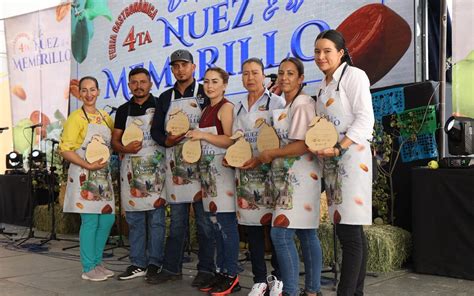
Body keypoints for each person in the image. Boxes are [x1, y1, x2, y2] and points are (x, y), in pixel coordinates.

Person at [312, 29, 374, 296]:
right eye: (317, 51)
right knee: (349, 230)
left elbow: (365, 119)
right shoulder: (321, 86)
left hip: (352, 160)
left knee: (349, 233)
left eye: (327, 51)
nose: (321, 56)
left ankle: (345, 293)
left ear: (340, 53)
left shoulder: (354, 76)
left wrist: (340, 147)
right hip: (332, 163)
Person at [150, 49, 215, 287]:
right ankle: (171, 268)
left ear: (193, 67)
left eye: (184, 65)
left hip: (202, 170)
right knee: (177, 224)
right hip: (176, 169)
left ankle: (207, 270)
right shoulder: (165, 97)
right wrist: (165, 141)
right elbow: (156, 130)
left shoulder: (204, 93)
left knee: (205, 224)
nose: (180, 70)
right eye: (175, 66)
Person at [259, 57, 323, 296]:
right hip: (287, 178)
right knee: (307, 234)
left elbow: (303, 145)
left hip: (302, 178)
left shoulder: (303, 103)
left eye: (291, 74)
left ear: (301, 78)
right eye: (281, 73)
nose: (285, 78)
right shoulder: (286, 105)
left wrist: (271, 153)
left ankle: (292, 291)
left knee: (281, 234)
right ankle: (313, 291)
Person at [231, 57, 285, 296]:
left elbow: (282, 138)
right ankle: (259, 280)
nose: (250, 78)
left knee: (275, 228)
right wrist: (230, 157)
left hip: (270, 175)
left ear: (264, 76)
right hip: (246, 175)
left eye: (254, 73)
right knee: (252, 228)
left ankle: (278, 277)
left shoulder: (277, 102)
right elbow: (235, 140)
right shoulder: (238, 106)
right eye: (245, 74)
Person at [186, 67, 241, 295]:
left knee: (226, 226)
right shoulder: (206, 109)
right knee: (215, 226)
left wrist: (202, 135)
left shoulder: (226, 107)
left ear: (225, 85)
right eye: (206, 81)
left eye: (215, 81)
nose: (209, 86)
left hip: (223, 175)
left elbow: (230, 140)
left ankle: (232, 275)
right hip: (209, 177)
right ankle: (221, 271)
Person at [112, 68, 167, 283]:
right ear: (129, 85)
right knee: (135, 221)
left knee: (156, 222)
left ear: (150, 84)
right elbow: (115, 141)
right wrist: (125, 148)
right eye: (134, 82)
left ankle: (155, 263)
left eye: (143, 82)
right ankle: (137, 263)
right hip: (132, 173)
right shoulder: (123, 110)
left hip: (157, 174)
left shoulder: (160, 106)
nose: (139, 86)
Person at [61, 76, 115, 281]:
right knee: (91, 220)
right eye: (84, 90)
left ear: (99, 91)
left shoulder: (105, 117)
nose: (89, 94)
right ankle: (88, 267)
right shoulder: (76, 118)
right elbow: (66, 149)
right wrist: (87, 165)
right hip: (84, 174)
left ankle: (97, 261)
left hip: (102, 176)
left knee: (107, 219)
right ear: (79, 93)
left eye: (92, 90)